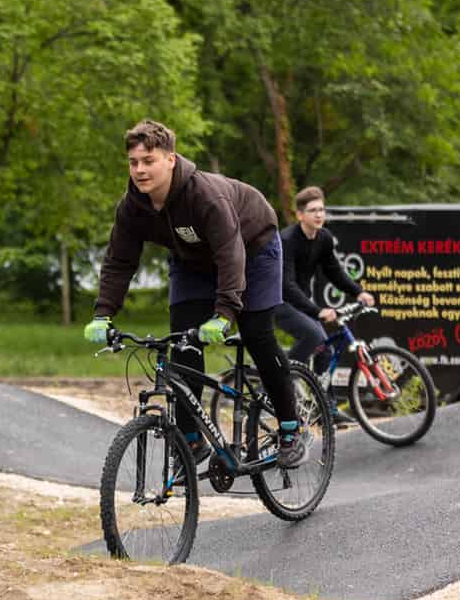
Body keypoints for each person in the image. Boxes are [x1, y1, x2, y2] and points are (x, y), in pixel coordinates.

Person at [80, 120, 311, 470]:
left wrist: (224, 313)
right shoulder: (132, 207)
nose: (139, 170)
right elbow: (119, 261)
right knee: (183, 343)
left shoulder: (204, 196)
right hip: (192, 261)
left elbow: (231, 253)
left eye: (148, 161)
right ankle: (190, 440)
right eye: (133, 162)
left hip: (253, 249)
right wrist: (103, 313)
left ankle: (291, 428)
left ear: (171, 159)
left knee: (257, 334)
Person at [276, 185, 374, 424]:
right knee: (314, 336)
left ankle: (327, 410)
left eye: (321, 209)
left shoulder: (324, 238)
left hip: (301, 300)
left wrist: (358, 292)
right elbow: (287, 285)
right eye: (313, 210)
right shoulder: (287, 240)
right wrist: (317, 311)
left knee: (324, 350)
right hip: (277, 301)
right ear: (300, 215)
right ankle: (280, 381)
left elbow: (335, 272)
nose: (319, 215)